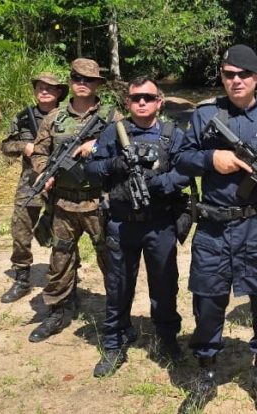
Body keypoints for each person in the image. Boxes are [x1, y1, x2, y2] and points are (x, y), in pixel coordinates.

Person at [174, 44, 257, 414]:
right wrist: (211, 159)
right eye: (228, 74)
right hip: (214, 228)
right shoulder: (204, 115)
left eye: (243, 75)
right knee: (208, 302)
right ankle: (206, 374)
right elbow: (181, 158)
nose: (235, 81)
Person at [85, 76, 192, 377]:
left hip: (159, 224)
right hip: (121, 223)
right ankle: (113, 343)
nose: (141, 102)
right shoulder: (113, 133)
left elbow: (186, 172)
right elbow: (90, 170)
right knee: (118, 287)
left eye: (147, 97)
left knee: (165, 285)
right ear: (128, 102)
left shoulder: (173, 134)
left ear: (159, 101)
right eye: (135, 98)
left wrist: (161, 183)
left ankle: (168, 339)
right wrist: (113, 165)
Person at [29, 58, 121, 342]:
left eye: (89, 80)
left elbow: (127, 149)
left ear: (97, 85)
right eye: (77, 78)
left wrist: (98, 144)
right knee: (60, 257)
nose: (82, 84)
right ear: (70, 82)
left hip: (98, 202)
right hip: (64, 203)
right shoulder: (54, 118)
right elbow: (40, 152)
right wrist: (44, 173)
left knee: (111, 259)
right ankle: (57, 311)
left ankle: (117, 313)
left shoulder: (111, 116)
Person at [0, 73, 67, 303]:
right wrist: (24, 145)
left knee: (64, 235)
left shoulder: (68, 117)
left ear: (59, 92)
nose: (44, 91)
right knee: (20, 227)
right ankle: (21, 278)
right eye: (40, 87)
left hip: (63, 184)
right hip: (30, 182)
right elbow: (5, 145)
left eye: (50, 88)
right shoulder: (23, 117)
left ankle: (68, 283)